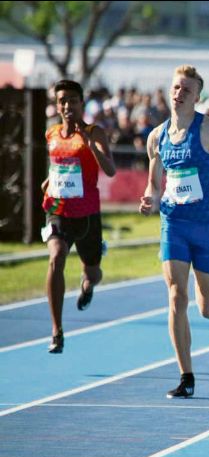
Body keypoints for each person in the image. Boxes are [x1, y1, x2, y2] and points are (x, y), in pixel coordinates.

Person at [139, 65, 209, 398]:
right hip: (174, 225)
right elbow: (153, 183)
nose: (179, 93)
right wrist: (149, 199)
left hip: (208, 227)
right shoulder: (156, 137)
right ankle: (186, 375)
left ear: (197, 96)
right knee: (176, 296)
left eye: (186, 89)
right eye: (175, 87)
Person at [41, 79, 116, 354]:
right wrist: (49, 182)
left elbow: (110, 170)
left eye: (72, 100)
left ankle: (87, 285)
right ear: (57, 104)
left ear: (81, 103)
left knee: (93, 272)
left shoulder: (95, 132)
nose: (67, 105)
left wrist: (89, 143)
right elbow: (58, 167)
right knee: (56, 256)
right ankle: (57, 330)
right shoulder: (51, 134)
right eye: (62, 100)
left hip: (87, 215)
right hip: (57, 209)